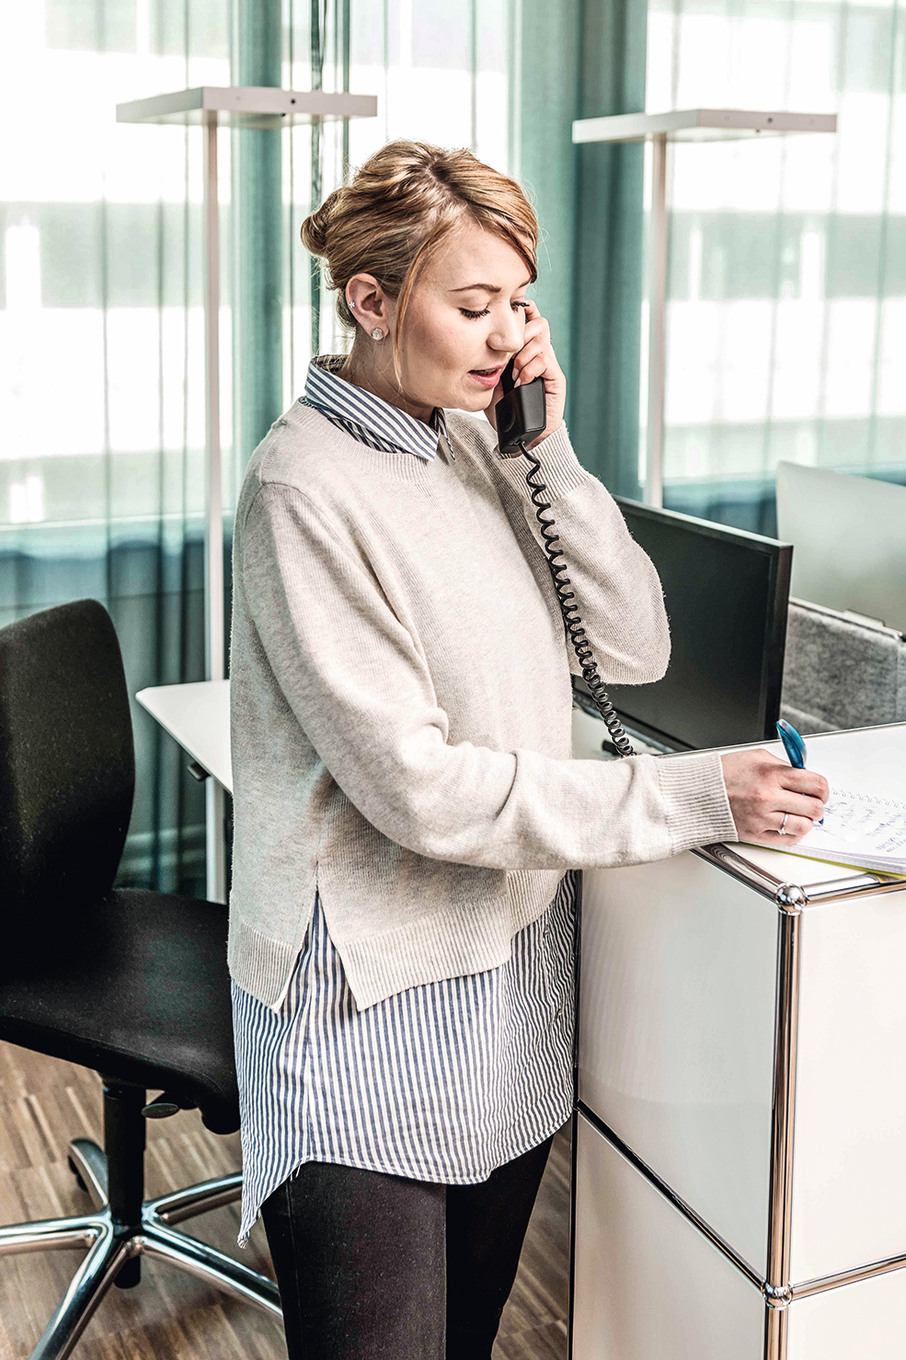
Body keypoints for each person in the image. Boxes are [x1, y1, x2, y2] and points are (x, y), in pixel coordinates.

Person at [226, 138, 828, 1360]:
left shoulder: (466, 442)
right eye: (471, 304)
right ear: (372, 301)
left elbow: (635, 638)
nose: (507, 333)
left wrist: (541, 444)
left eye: (518, 301)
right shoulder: (303, 488)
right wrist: (689, 794)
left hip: (506, 976)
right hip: (369, 1000)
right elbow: (420, 788)